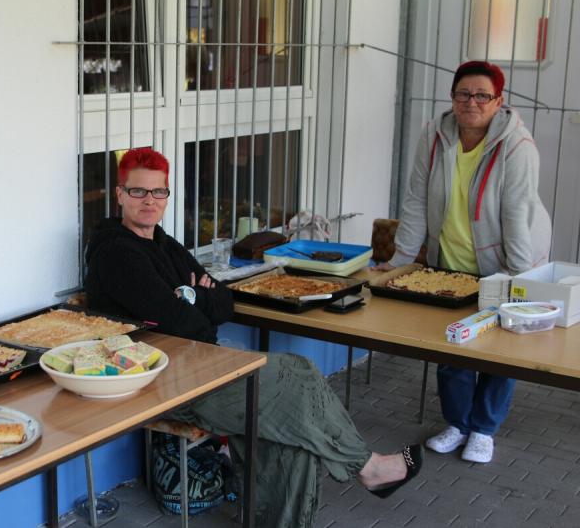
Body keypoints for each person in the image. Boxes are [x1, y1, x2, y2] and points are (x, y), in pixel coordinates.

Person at [85, 147, 424, 527]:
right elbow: (184, 324)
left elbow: (223, 303)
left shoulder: (164, 243)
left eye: (158, 191)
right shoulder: (116, 253)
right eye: (138, 191)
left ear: (167, 195)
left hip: (199, 365)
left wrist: (190, 298)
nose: (149, 200)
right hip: (161, 382)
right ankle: (368, 467)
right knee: (295, 383)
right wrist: (196, 300)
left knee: (294, 419)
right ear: (120, 195)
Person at [377, 61, 552, 463]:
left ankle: (484, 429)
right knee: (452, 343)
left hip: (507, 259)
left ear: (498, 101)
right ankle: (457, 423)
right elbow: (416, 199)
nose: (471, 102)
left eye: (482, 95)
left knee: (499, 348)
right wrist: (400, 260)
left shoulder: (517, 146)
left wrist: (519, 278)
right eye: (463, 94)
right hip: (451, 261)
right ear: (452, 97)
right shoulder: (435, 135)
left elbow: (517, 214)